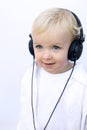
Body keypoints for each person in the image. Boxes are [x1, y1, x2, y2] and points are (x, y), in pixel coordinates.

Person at [17, 8, 87, 130]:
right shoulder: (30, 75)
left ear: (74, 49)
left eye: (55, 47)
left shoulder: (82, 84)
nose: (46, 56)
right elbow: (25, 118)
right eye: (39, 46)